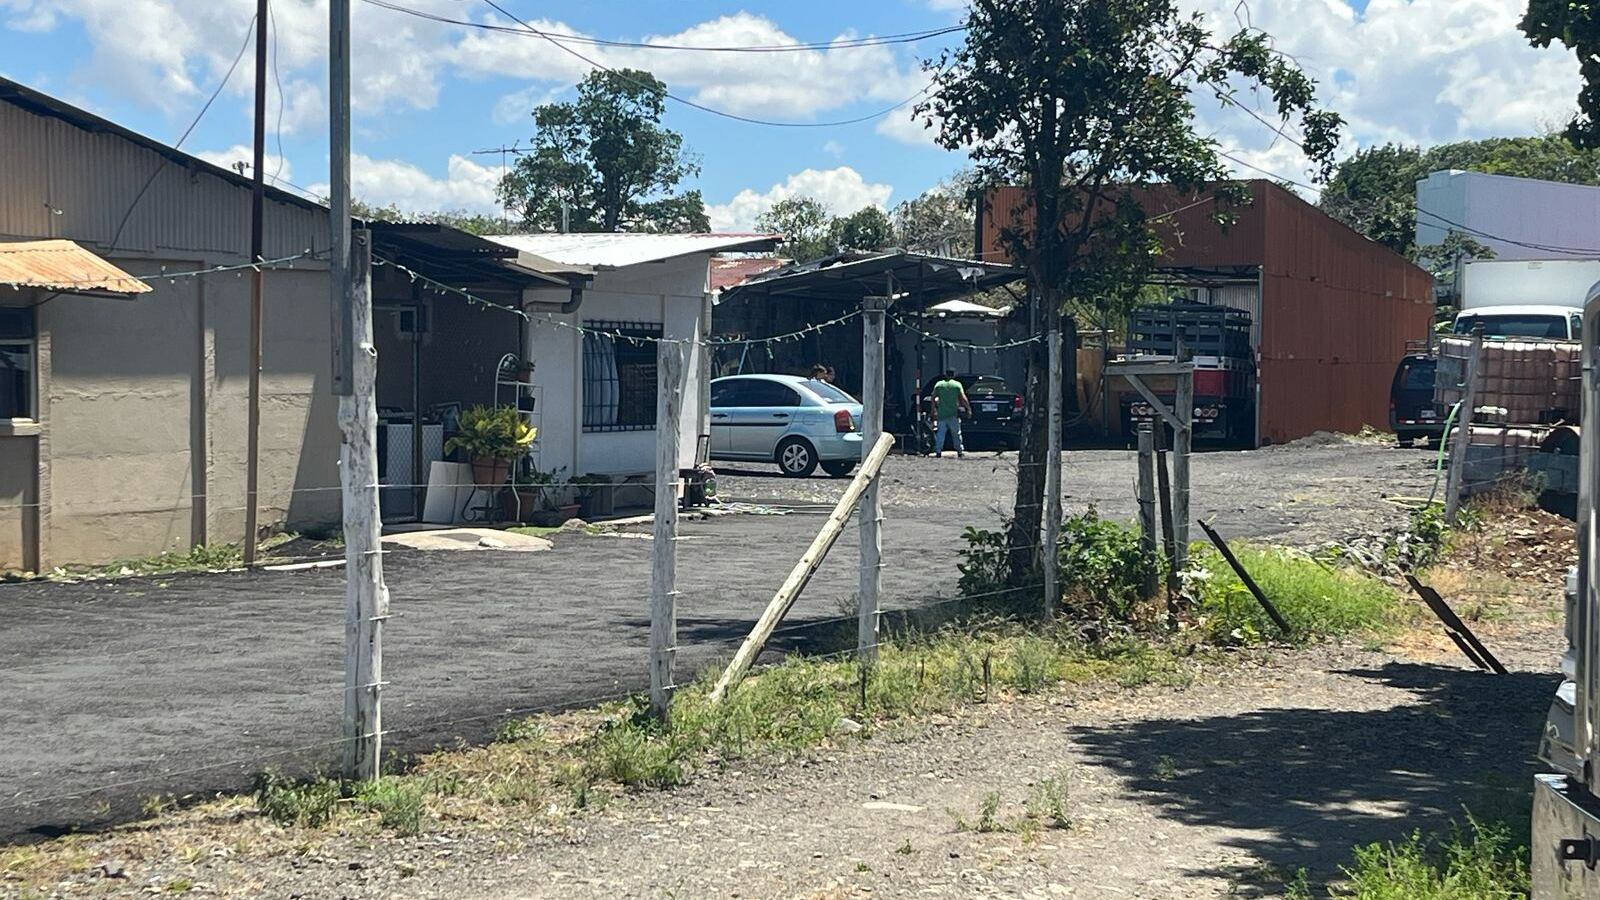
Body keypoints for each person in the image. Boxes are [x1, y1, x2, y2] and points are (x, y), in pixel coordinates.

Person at [930, 369, 969, 458]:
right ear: (954, 375)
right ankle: (959, 451)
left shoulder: (939, 385)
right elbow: (963, 398)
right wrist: (968, 408)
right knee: (956, 434)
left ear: (945, 375)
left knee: (940, 434)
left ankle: (938, 451)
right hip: (953, 414)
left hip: (942, 414)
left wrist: (933, 411)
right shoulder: (957, 385)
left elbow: (933, 398)